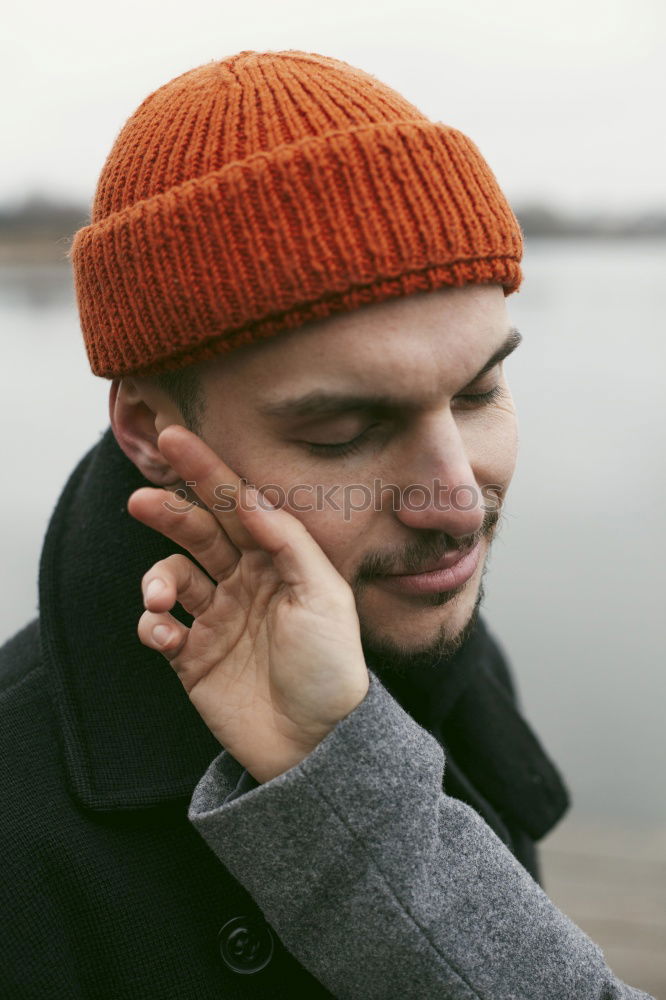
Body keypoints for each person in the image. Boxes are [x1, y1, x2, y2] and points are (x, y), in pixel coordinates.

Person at [0, 49, 652, 999]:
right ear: (148, 431)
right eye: (346, 432)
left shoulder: (436, 636)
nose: (459, 503)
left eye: (479, 392)